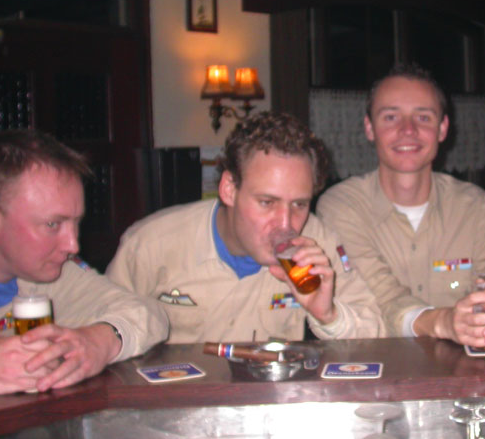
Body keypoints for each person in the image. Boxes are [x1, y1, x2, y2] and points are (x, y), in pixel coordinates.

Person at [106, 111, 384, 343]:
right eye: (267, 202)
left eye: (299, 204)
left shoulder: (317, 241)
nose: (285, 224)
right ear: (229, 189)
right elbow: (100, 328)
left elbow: (375, 332)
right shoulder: (151, 243)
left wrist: (329, 316)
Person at [317, 64, 485, 352]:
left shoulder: (474, 206)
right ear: (369, 128)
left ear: (442, 129)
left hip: (462, 371)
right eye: (391, 117)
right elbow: (380, 294)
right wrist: (442, 322)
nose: (408, 130)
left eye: (423, 117)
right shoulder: (341, 206)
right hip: (374, 367)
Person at [0, 130, 169, 396]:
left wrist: (99, 341)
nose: (72, 245)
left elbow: (149, 314)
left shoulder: (50, 269)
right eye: (53, 224)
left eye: (76, 223)